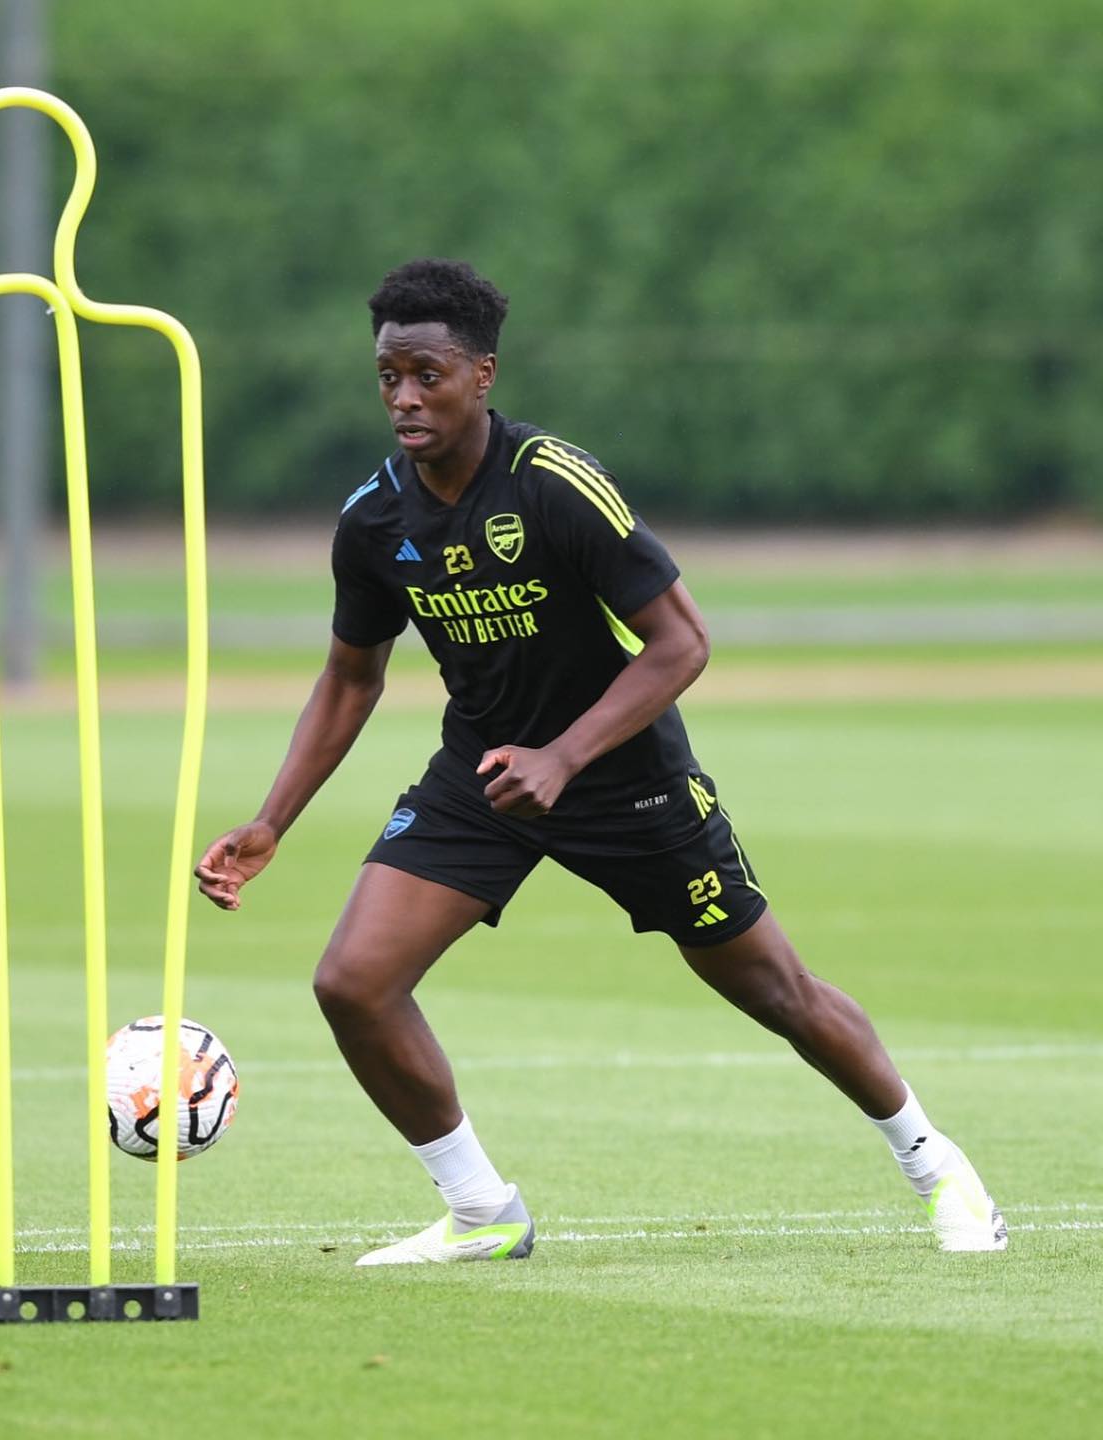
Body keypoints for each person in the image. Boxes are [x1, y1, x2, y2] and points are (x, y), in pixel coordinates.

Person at [195, 257, 1006, 1264]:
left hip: (625, 775)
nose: (405, 396)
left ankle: (939, 1170)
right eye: (388, 376)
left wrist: (565, 757)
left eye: (428, 374)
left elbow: (682, 642)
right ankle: (483, 1212)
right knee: (353, 982)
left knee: (775, 990)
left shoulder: (555, 486)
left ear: (483, 375)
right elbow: (351, 678)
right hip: (485, 775)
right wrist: (274, 818)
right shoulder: (373, 519)